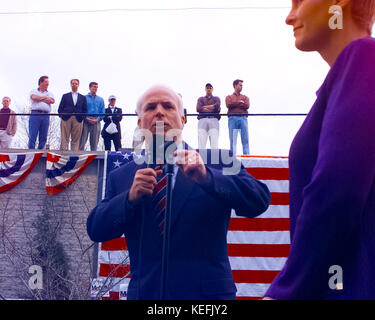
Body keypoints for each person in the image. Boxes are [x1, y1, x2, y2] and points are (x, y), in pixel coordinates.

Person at [86, 85, 271, 300]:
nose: (159, 112)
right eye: (150, 107)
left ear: (183, 119)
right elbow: (96, 229)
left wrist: (207, 177)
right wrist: (129, 198)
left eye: (168, 106)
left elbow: (259, 199)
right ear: (139, 122)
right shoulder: (122, 177)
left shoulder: (219, 161)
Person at [264, 0, 375, 300]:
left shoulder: (365, 56)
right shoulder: (352, 73)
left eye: (298, 1)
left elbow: (337, 190)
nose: (290, 17)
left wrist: (284, 291)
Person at [58, 79, 88, 151]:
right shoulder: (65, 96)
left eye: (76, 83)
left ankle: (74, 155)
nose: (74, 85)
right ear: (70, 85)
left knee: (76, 139)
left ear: (78, 85)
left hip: (78, 119)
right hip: (66, 118)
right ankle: (63, 153)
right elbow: (60, 108)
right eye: (73, 83)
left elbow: (85, 110)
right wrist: (62, 116)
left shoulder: (83, 97)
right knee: (64, 137)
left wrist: (82, 118)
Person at [28, 76, 55, 149]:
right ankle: (31, 153)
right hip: (35, 114)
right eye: (46, 82)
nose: (48, 83)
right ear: (41, 82)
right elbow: (33, 97)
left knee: (43, 136)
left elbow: (52, 101)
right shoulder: (34, 91)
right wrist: (46, 98)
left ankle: (40, 153)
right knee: (32, 135)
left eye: (48, 82)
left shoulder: (50, 93)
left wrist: (39, 98)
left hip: (46, 115)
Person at [225, 79, 250, 155]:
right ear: (235, 86)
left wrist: (235, 104)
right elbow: (228, 105)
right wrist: (239, 103)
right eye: (240, 85)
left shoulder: (245, 97)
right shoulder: (229, 97)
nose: (241, 86)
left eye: (242, 85)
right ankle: (233, 158)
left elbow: (247, 105)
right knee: (233, 141)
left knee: (245, 140)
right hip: (232, 118)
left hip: (243, 118)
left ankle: (247, 156)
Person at [79, 82, 105, 151]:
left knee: (94, 141)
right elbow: (81, 110)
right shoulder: (84, 98)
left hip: (96, 120)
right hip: (85, 120)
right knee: (82, 140)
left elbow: (102, 112)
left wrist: (98, 119)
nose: (95, 88)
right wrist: (86, 118)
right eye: (94, 87)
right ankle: (80, 156)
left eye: (96, 87)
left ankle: (93, 157)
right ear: (90, 88)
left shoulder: (101, 99)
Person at [196, 83, 221, 149]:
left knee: (214, 142)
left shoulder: (216, 98)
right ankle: (201, 157)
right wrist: (212, 107)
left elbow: (217, 107)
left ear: (212, 89)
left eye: (210, 88)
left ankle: (214, 158)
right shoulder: (200, 99)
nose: (209, 89)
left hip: (214, 119)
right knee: (201, 141)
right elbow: (198, 108)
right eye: (207, 88)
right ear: (205, 89)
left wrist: (204, 107)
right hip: (203, 119)